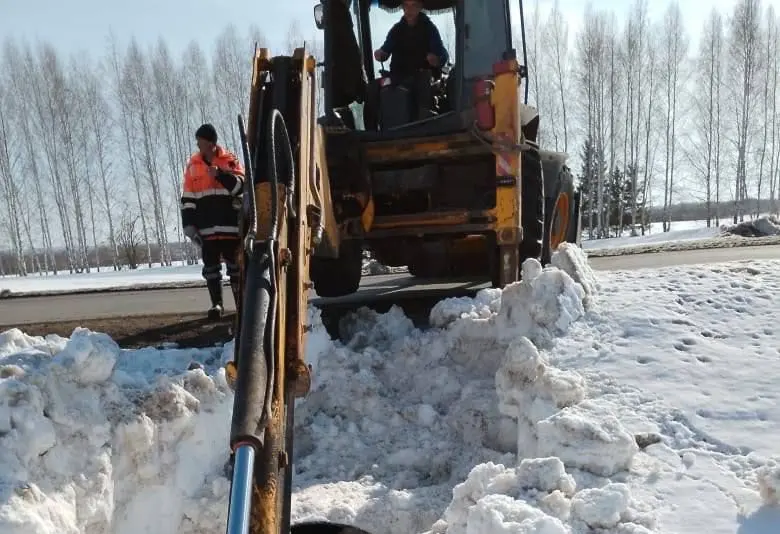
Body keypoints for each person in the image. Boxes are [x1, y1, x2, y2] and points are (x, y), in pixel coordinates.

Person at [180, 123, 245, 320]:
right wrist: (188, 225)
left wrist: (221, 175)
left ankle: (241, 305)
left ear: (211, 143)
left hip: (230, 227)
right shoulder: (193, 165)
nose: (198, 145)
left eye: (201, 141)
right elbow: (188, 198)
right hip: (206, 228)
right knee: (210, 268)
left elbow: (241, 188)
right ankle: (216, 305)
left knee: (235, 267)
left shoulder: (230, 161)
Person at [373, 0, 449, 82]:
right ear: (402, 7)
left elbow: (442, 55)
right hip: (399, 79)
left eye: (414, 5)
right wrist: (380, 54)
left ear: (420, 7)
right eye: (406, 5)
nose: (409, 9)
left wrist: (436, 60)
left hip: (422, 80)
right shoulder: (396, 30)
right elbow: (385, 50)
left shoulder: (429, 29)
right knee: (374, 88)